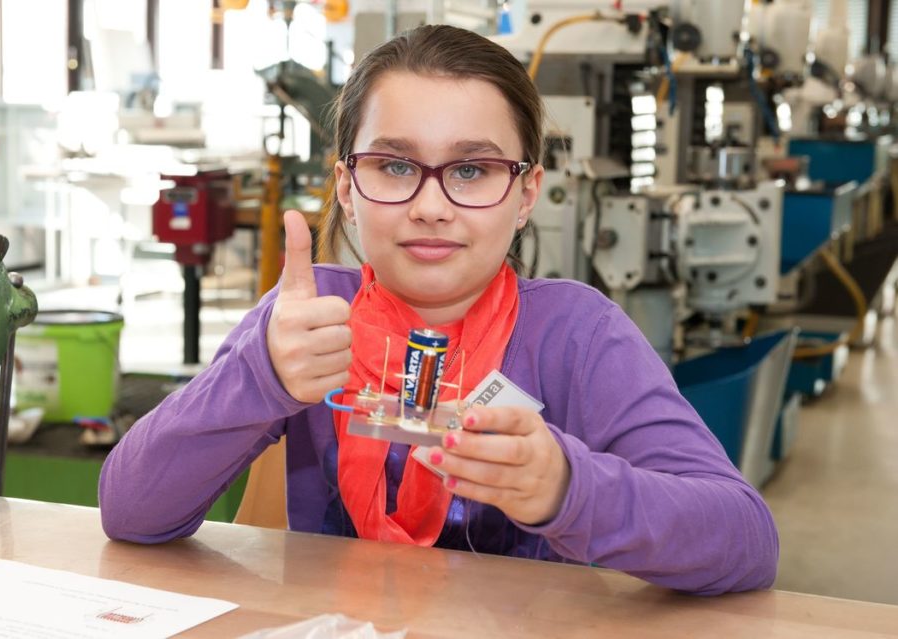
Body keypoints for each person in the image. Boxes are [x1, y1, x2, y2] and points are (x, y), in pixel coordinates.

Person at [99, 24, 778, 595]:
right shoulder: (308, 321)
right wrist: (259, 376)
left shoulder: (577, 335)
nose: (430, 206)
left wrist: (567, 488)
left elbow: (745, 540)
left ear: (526, 194)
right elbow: (131, 511)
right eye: (395, 166)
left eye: (471, 170)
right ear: (346, 187)